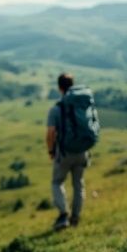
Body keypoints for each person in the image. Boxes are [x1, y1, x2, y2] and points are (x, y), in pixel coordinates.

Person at [46, 73, 90, 230]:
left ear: (59, 88)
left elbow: (51, 133)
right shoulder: (82, 105)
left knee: (57, 182)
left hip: (64, 152)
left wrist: (51, 151)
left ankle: (63, 214)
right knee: (78, 185)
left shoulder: (57, 109)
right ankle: (75, 218)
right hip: (82, 151)